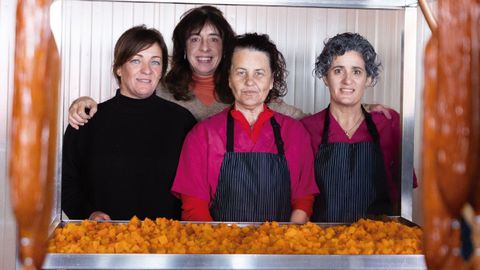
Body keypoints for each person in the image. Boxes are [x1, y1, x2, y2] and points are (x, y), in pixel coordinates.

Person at [67, 5, 306, 128]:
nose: (205, 47)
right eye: (195, 38)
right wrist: (87, 104)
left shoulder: (244, 89)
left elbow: (302, 120)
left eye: (214, 39)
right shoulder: (160, 90)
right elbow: (125, 109)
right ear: (183, 47)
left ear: (225, 48)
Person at [171, 33, 319, 223]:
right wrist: (219, 251)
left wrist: (285, 246)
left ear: (272, 80)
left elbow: (303, 201)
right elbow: (194, 209)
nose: (250, 81)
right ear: (229, 79)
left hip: (281, 248)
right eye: (241, 72)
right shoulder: (202, 135)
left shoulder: (295, 133)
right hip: (219, 248)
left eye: (259, 73)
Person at [61, 25, 196, 221]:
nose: (147, 70)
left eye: (155, 62)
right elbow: (66, 183)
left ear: (162, 71)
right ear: (118, 68)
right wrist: (88, 214)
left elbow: (196, 187)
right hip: (104, 243)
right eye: (136, 60)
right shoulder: (87, 121)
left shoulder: (182, 121)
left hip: (168, 244)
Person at [301, 32, 417, 223]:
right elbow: (301, 198)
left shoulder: (389, 123)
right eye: (338, 70)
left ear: (369, 79)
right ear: (324, 77)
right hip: (322, 243)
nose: (347, 80)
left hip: (378, 244)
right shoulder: (306, 128)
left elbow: (403, 194)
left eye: (356, 71)